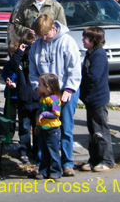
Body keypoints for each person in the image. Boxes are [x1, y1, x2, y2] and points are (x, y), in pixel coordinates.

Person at [28, 14, 81, 177]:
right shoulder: (37, 46)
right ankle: (42, 163)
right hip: (46, 93)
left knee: (65, 127)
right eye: (41, 36)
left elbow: (74, 68)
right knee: (44, 128)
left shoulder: (67, 42)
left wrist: (69, 89)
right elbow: (33, 72)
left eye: (46, 35)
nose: (44, 38)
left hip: (64, 91)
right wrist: (37, 87)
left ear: (54, 28)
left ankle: (66, 163)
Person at [79, 26, 113, 172]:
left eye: (85, 38)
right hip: (90, 98)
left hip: (98, 98)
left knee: (100, 130)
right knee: (92, 131)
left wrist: (84, 89)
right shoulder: (90, 53)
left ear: (93, 40)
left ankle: (107, 160)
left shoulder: (99, 54)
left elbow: (94, 77)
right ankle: (94, 159)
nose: (83, 40)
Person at [5, 30, 38, 164]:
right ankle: (24, 150)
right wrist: (19, 51)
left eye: (31, 47)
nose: (29, 50)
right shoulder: (19, 60)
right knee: (24, 127)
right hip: (23, 98)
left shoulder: (36, 58)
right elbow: (12, 66)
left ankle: (36, 150)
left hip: (36, 98)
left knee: (37, 127)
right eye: (27, 47)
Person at [33, 73, 62, 181]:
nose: (38, 86)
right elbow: (39, 114)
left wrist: (44, 114)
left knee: (53, 151)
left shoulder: (53, 99)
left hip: (52, 130)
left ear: (48, 87)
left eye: (40, 84)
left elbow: (56, 114)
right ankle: (43, 171)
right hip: (43, 128)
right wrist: (37, 126)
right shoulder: (42, 98)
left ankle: (56, 171)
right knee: (43, 151)